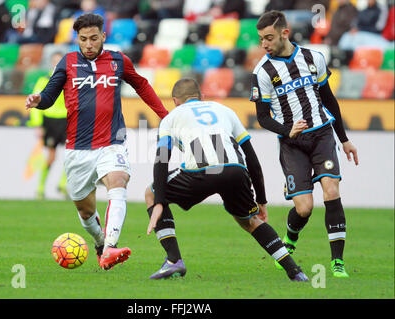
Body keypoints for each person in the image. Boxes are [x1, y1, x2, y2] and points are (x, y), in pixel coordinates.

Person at [25, 13, 169, 270]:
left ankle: (111, 247)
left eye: (94, 38)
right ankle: (101, 241)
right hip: (78, 149)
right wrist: (38, 100)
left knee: (118, 180)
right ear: (76, 39)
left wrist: (165, 116)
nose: (89, 44)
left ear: (103, 36)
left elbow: (142, 85)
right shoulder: (67, 62)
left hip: (112, 141)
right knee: (85, 210)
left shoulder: (117, 60)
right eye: (83, 39)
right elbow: (49, 96)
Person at [145, 78, 309, 282]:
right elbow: (252, 158)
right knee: (250, 221)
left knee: (150, 193)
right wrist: (261, 200)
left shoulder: (172, 117)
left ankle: (173, 260)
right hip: (235, 169)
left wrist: (159, 200)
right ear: (201, 96)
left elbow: (162, 158)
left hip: (201, 171)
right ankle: (296, 272)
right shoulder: (225, 110)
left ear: (175, 101)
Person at [250, 10, 359, 278]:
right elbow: (262, 117)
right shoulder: (262, 71)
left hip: (322, 135)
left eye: (269, 38)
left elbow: (329, 100)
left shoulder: (314, 58)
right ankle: (291, 239)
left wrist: (343, 139)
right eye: (261, 39)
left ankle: (337, 263)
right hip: (292, 144)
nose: (264, 44)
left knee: (331, 191)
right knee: (304, 208)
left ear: (285, 33)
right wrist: (288, 130)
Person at [26, 51, 68, 200]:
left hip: (67, 119)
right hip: (50, 120)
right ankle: (41, 187)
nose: (57, 64)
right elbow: (35, 101)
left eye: (59, 61)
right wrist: (37, 124)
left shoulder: (70, 78)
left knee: (72, 154)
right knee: (51, 156)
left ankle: (63, 184)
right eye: (55, 61)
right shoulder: (44, 80)